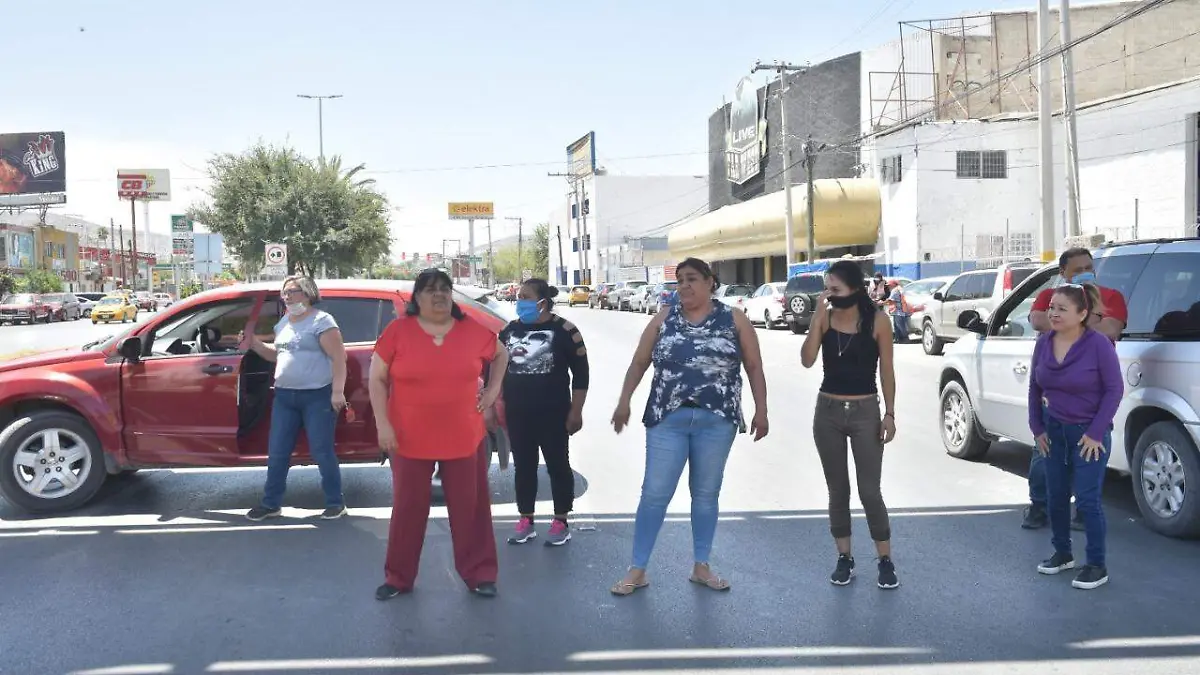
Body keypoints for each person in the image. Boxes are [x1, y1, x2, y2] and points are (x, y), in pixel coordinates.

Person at [609, 258, 768, 596]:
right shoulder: (665, 317)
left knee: (706, 495)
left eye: (692, 279)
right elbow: (640, 362)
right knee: (654, 495)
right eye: (680, 280)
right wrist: (624, 401)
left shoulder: (734, 318)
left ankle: (701, 566)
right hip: (668, 420)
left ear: (711, 282)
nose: (684, 286)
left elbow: (753, 366)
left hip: (717, 422)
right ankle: (637, 570)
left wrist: (761, 410)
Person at [369, 269, 508, 600]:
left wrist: (492, 390)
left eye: (445, 289)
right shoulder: (398, 331)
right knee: (408, 509)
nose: (439, 295)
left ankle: (480, 574)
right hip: (408, 437)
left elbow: (501, 355)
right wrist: (382, 424)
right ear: (417, 297)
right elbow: (376, 379)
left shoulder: (472, 330)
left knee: (471, 509)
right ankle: (398, 577)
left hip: (464, 436)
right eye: (431, 290)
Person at [800, 260, 900, 590]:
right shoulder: (826, 317)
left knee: (870, 491)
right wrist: (817, 315)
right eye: (826, 288)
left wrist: (890, 413)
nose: (830, 294)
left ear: (856, 289)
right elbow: (807, 359)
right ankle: (844, 557)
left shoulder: (879, 321)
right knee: (837, 490)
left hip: (865, 411)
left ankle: (885, 559)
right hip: (827, 410)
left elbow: (886, 369)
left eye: (835, 289)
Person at [1023, 247, 1127, 531]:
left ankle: (1084, 509)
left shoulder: (1112, 297)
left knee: (1088, 454)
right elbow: (1038, 321)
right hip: (1053, 396)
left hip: (1091, 394)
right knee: (1045, 455)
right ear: (1063, 273)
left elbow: (1111, 329)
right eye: (1077, 268)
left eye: (1089, 266)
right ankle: (1039, 505)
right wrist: (1083, 316)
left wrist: (1068, 319)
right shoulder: (1047, 297)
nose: (1085, 272)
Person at [1028, 283, 1122, 590]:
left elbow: (1114, 390)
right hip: (1053, 431)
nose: (1052, 313)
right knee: (1056, 495)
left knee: (1087, 500)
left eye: (1061, 309)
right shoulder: (1044, 342)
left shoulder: (1098, 345)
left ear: (1082, 314)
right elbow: (1035, 387)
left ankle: (1097, 564)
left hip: (1088, 435)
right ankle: (1062, 553)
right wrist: (1037, 428)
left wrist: (1096, 432)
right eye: (1051, 307)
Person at [244, 275, 348, 522]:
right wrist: (256, 345)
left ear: (308, 293)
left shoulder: (322, 321)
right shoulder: (284, 322)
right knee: (278, 451)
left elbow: (338, 357)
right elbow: (278, 355)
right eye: (285, 292)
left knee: (322, 451)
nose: (287, 296)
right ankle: (271, 504)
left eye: (293, 291)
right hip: (284, 397)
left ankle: (335, 502)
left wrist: (337, 391)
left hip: (317, 395)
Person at [501, 278, 590, 547]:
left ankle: (561, 520)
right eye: (519, 296)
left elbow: (582, 374)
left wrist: (577, 411)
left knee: (558, 466)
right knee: (524, 467)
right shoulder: (508, 331)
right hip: (518, 414)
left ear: (542, 302)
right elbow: (495, 369)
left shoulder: (565, 330)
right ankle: (526, 519)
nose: (520, 301)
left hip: (554, 413)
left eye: (526, 296)